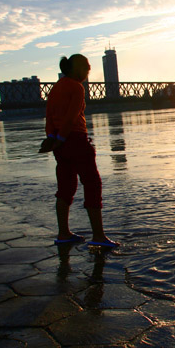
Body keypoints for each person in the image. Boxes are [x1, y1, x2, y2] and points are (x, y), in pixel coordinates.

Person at [43, 54, 119, 248]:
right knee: (92, 184)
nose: (88, 71)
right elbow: (71, 117)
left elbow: (49, 117)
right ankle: (99, 237)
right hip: (75, 139)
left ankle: (63, 234)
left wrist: (54, 139)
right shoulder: (76, 87)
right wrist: (63, 138)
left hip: (59, 144)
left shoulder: (56, 87)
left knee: (65, 187)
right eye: (86, 68)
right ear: (76, 68)